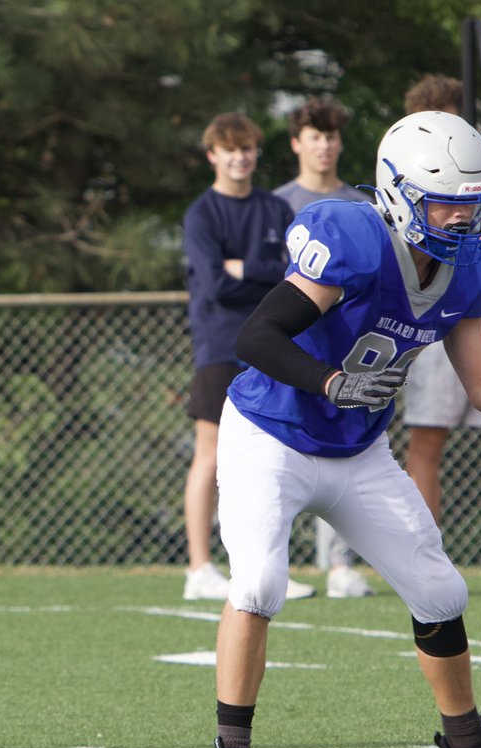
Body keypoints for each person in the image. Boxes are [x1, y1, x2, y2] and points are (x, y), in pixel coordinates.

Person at [198, 111, 481, 748]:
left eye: (472, 205)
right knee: (260, 583)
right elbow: (259, 335)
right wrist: (332, 381)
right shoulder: (354, 239)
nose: (459, 219)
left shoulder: (471, 269)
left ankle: (467, 743)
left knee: (441, 590)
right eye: (445, 202)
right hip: (271, 433)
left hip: (357, 449)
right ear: (397, 193)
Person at [180, 112, 314, 602]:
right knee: (210, 455)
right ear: (213, 154)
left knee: (278, 453)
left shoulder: (275, 209)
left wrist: (246, 268)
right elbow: (213, 284)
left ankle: (268, 567)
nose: (240, 157)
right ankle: (199, 567)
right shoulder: (202, 214)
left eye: (248, 148)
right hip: (220, 345)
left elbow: (295, 275)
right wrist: (261, 273)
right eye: (229, 148)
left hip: (275, 343)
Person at [273, 97, 376, 599]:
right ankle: (275, 563)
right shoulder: (277, 202)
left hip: (345, 351)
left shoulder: (359, 207)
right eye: (315, 135)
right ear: (297, 143)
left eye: (332, 136)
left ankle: (340, 564)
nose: (325, 145)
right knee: (282, 453)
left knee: (345, 452)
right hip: (290, 349)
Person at [397, 75, 481, 526]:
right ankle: (423, 548)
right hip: (432, 320)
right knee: (427, 442)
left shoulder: (478, 180)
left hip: (480, 309)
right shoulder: (408, 189)